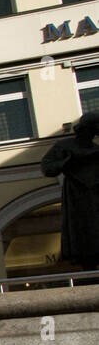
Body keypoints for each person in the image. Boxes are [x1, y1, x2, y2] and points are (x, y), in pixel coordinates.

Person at [41, 110, 99, 272]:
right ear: (90, 127)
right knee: (83, 234)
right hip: (77, 197)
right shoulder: (65, 146)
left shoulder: (96, 150)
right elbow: (47, 168)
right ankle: (88, 265)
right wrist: (66, 162)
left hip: (95, 196)